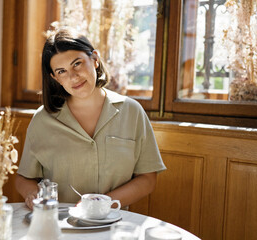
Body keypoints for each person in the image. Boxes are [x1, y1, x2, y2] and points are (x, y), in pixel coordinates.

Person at [15, 27, 166, 209]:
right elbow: (24, 178)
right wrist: (33, 194)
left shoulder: (132, 112)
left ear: (95, 59)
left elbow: (147, 179)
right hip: (59, 225)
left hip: (114, 226)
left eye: (77, 64)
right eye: (62, 71)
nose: (73, 77)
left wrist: (101, 204)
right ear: (55, 78)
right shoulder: (42, 119)